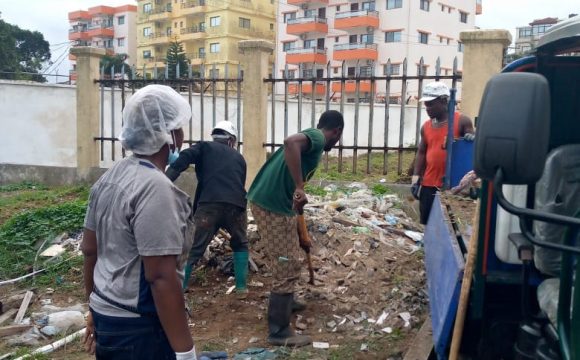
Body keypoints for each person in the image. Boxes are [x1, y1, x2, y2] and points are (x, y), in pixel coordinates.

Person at [81, 85, 197, 360]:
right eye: (179, 128)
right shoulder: (155, 188)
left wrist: (94, 309)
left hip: (108, 314)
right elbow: (159, 276)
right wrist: (186, 353)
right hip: (138, 328)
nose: (182, 136)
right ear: (170, 135)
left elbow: (89, 249)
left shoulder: (112, 176)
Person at [247, 110, 344, 347]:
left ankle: (287, 301)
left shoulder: (314, 142)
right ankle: (279, 330)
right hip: (272, 206)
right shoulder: (319, 138)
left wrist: (301, 230)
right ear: (336, 132)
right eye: (338, 137)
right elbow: (290, 142)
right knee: (286, 262)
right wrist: (300, 186)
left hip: (278, 204)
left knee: (290, 257)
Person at [165, 121, 248, 293]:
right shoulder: (239, 158)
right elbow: (239, 184)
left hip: (210, 206)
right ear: (231, 140)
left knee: (194, 247)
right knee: (240, 244)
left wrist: (164, 180)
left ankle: (180, 288)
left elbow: (185, 157)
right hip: (237, 206)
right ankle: (241, 288)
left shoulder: (205, 147)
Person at [412, 82, 475, 225]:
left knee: (450, 225)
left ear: (443, 101)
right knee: (427, 223)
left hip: (452, 186)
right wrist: (416, 179)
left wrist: (471, 139)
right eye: (426, 104)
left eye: (431, 104)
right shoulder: (426, 127)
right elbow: (422, 153)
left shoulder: (462, 121)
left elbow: (471, 150)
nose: (427, 108)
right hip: (429, 184)